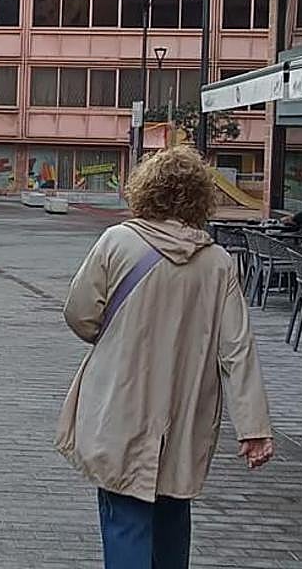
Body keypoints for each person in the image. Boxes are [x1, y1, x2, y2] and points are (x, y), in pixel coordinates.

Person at [57, 146, 273, 569]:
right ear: (199, 198)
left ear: (146, 191)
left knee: (125, 515)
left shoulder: (117, 242)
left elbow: (79, 313)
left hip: (121, 403)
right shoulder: (218, 264)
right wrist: (254, 428)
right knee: (174, 513)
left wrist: (113, 338)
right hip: (186, 409)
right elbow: (237, 349)